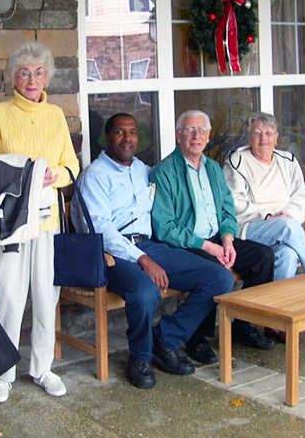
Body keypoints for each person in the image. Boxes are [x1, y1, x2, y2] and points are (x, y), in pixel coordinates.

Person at [72, 113, 235, 389]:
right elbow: (101, 230)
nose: (127, 139)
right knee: (145, 292)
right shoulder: (94, 177)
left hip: (149, 245)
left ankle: (165, 339)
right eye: (120, 133)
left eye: (133, 133)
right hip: (113, 254)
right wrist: (143, 259)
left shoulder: (142, 170)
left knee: (219, 278)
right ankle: (140, 357)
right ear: (107, 138)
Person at [0, 41, 79, 403]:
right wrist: (26, 175)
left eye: (38, 72)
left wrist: (54, 175)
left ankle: (43, 368)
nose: (32, 79)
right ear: (12, 78)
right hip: (11, 222)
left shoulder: (55, 115)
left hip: (48, 222)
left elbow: (71, 166)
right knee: (8, 296)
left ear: (47, 75)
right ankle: (2, 374)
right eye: (24, 72)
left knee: (46, 298)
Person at [150, 110, 277, 351]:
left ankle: (243, 326)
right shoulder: (164, 172)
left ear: (208, 137)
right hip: (187, 244)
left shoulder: (214, 170)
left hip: (218, 239)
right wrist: (209, 246)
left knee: (264, 257)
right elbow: (164, 227)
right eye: (189, 130)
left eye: (202, 130)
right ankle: (197, 338)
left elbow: (228, 211)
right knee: (215, 269)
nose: (196, 136)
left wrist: (228, 240)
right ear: (178, 135)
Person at [223, 112, 305, 281]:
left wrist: (288, 214)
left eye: (268, 133)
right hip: (250, 227)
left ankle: (278, 305)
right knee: (286, 226)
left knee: (288, 255)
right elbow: (234, 201)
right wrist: (268, 216)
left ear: (276, 138)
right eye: (257, 134)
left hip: (284, 227)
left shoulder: (287, 161)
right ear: (250, 138)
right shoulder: (237, 162)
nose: (264, 139)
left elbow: (301, 195)